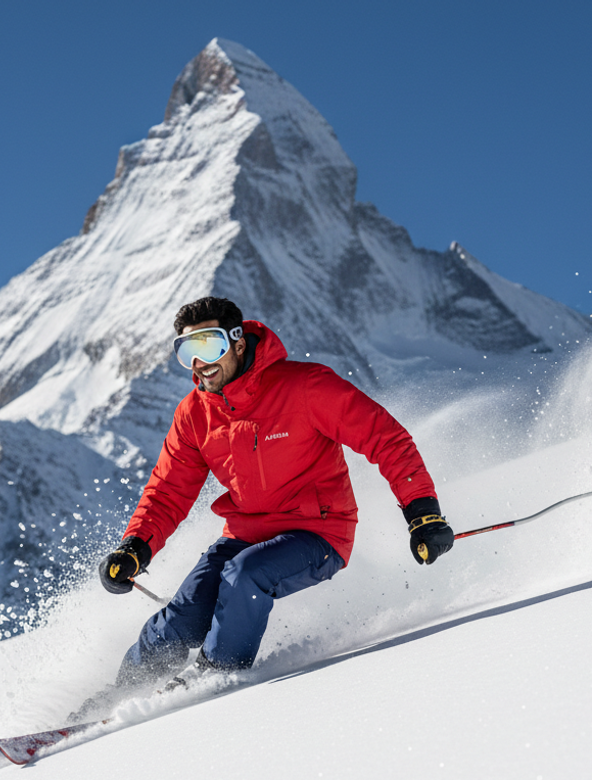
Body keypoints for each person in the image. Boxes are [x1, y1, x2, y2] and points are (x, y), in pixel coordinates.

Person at [96, 296, 454, 695]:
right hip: (244, 533)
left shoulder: (305, 386)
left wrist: (423, 511)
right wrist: (135, 546)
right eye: (187, 351)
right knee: (185, 612)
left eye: (209, 345)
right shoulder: (194, 415)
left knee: (247, 575)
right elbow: (168, 489)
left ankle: (215, 677)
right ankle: (120, 694)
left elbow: (385, 438)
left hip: (318, 531)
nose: (200, 362)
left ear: (238, 343)